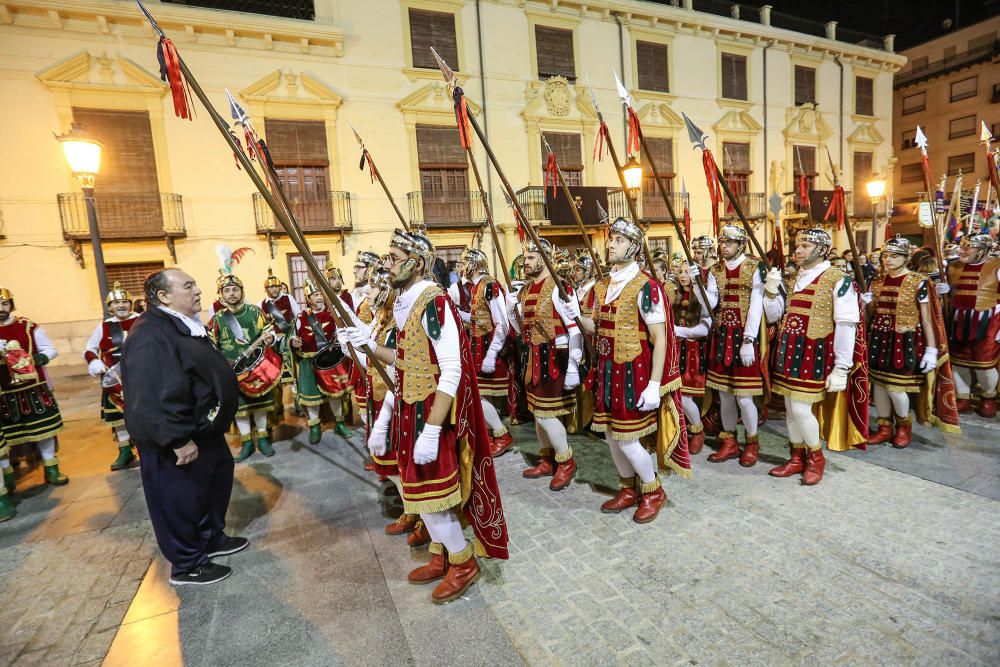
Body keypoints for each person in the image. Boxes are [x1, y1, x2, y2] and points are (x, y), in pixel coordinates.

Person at [345, 229, 509, 604]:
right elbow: (405, 363)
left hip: (430, 413)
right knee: (420, 496)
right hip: (409, 410)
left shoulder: (434, 302)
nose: (388, 264)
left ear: (416, 262)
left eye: (394, 256)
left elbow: (451, 369)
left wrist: (432, 429)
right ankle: (442, 556)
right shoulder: (405, 302)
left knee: (433, 498)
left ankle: (463, 563)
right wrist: (368, 345)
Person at [122, 268, 245, 586]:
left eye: (195, 283)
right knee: (180, 500)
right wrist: (177, 438)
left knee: (210, 489)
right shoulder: (150, 334)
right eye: (188, 286)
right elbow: (153, 392)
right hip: (178, 439)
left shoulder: (179, 324)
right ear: (163, 296)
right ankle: (187, 563)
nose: (198, 291)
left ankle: (210, 539)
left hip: (203, 432)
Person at [578, 218, 691, 523]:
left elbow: (661, 336)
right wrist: (574, 314)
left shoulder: (647, 287)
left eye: (617, 239)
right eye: (610, 238)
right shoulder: (602, 285)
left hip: (633, 371)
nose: (610, 244)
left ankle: (653, 490)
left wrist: (655, 384)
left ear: (634, 246)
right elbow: (594, 326)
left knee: (627, 438)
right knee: (611, 436)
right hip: (605, 369)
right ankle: (628, 488)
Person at [763, 228, 866, 485]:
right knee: (789, 409)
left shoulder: (838, 278)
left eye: (805, 246)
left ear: (821, 250)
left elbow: (846, 323)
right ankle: (796, 456)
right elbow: (775, 315)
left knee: (800, 408)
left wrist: (842, 367)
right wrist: (771, 292)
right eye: (797, 245)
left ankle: (815, 458)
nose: (797, 250)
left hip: (814, 351)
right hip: (789, 350)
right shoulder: (792, 277)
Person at [863, 236, 960, 447]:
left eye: (894, 256)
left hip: (904, 341)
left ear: (906, 258)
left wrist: (932, 350)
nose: (888, 260)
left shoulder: (919, 282)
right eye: (885, 255)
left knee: (896, 389)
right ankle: (884, 427)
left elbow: (928, 318)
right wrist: (866, 305)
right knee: (878, 386)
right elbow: (872, 316)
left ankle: (903, 426)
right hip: (879, 339)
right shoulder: (877, 281)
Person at [509, 238, 582, 491]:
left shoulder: (559, 286)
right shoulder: (526, 289)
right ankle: (547, 458)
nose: (525, 262)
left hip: (553, 357)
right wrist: (512, 313)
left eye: (530, 257)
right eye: (525, 257)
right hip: (533, 357)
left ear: (543, 257)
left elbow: (574, 328)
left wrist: (573, 366)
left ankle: (566, 460)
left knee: (546, 413)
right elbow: (522, 330)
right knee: (537, 413)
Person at [0, 286, 68, 505]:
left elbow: (50, 349)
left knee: (44, 430)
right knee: (6, 438)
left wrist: (35, 359)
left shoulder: (28, 327)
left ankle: (51, 468)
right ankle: (8, 476)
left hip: (32, 388)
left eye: (4, 304)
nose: (1, 309)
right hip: (3, 392)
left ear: (11, 305)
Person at [705, 225, 765, 467]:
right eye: (721, 242)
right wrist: (699, 286)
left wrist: (749, 340)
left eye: (729, 242)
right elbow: (710, 302)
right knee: (724, 395)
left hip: (743, 335)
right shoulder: (714, 270)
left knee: (744, 397)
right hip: (721, 335)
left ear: (740, 244)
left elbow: (756, 304)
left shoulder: (754, 267)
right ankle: (729, 441)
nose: (724, 246)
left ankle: (752, 443)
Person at [208, 270, 276, 461]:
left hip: (258, 367)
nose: (231, 293)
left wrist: (270, 338)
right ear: (221, 295)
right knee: (240, 408)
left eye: (235, 289)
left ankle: (263, 438)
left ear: (242, 292)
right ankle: (247, 442)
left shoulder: (255, 311)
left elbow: (269, 332)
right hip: (233, 372)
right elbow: (212, 345)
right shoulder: (218, 318)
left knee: (260, 405)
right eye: (227, 290)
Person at [939, 234, 1000, 417]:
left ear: (982, 250)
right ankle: (963, 397)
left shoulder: (996, 266)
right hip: (958, 320)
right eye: (962, 246)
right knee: (958, 361)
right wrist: (944, 290)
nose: (961, 250)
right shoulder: (953, 266)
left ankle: (988, 397)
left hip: (988, 321)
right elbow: (950, 291)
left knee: (985, 363)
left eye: (967, 247)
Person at [83, 282, 140, 471]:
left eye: (124, 302)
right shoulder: (103, 326)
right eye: (116, 303)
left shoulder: (142, 320)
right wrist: (93, 361)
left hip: (141, 375)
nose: (121, 306)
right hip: (114, 379)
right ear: (110, 307)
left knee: (144, 412)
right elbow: (90, 348)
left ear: (130, 304)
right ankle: (124, 451)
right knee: (118, 417)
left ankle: (147, 446)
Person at [673, 259, 717, 455]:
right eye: (680, 271)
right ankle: (681, 431)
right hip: (675, 349)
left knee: (685, 396)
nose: (683, 275)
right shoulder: (675, 294)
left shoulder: (703, 297)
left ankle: (697, 430)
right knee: (673, 395)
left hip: (692, 352)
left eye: (687, 272)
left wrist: (676, 331)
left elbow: (704, 328)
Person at [259, 268, 300, 391]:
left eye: (277, 286)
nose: (275, 289)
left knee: (294, 373)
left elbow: (298, 317)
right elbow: (262, 326)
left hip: (290, 340)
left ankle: (296, 401)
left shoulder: (288, 298)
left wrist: (293, 335)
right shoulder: (261, 304)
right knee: (277, 373)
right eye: (271, 287)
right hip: (273, 343)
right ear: (266, 289)